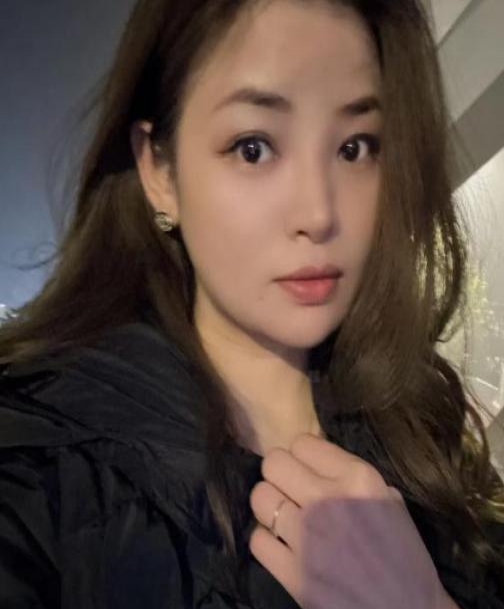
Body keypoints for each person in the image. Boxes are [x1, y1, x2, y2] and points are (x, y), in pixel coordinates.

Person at [0, 0, 503, 607]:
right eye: (254, 148)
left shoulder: (420, 418)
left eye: (354, 148)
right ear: (159, 172)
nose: (319, 213)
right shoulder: (38, 471)